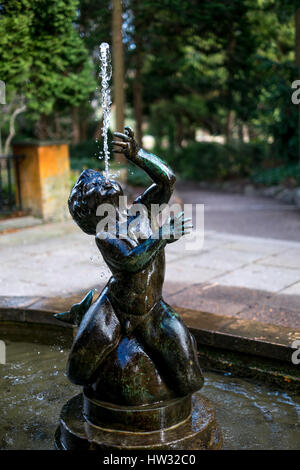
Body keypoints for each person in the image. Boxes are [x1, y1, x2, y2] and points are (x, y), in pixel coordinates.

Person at [64, 127, 204, 406]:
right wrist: (162, 236)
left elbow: (167, 181)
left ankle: (84, 311)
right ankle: (87, 313)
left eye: (102, 180)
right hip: (115, 309)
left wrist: (138, 155)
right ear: (91, 211)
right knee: (78, 371)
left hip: (152, 309)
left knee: (190, 379)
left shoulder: (140, 211)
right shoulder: (105, 235)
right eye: (95, 188)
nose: (104, 183)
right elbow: (131, 262)